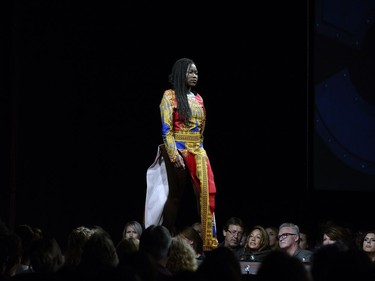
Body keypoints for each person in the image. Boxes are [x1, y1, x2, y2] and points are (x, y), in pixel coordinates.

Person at [146, 58, 218, 251]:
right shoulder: (169, 96)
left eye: (196, 72)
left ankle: (208, 243)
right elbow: (166, 129)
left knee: (205, 193)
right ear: (181, 73)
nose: (195, 76)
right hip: (178, 147)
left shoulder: (199, 98)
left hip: (198, 149)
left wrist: (201, 152)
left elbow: (202, 129)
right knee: (175, 196)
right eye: (190, 72)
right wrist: (173, 153)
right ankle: (164, 241)